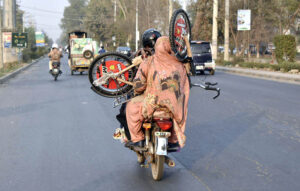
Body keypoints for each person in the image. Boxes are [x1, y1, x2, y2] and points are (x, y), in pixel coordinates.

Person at [125, 36, 190, 149]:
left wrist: (137, 90)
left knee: (131, 107)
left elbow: (139, 84)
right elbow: (185, 85)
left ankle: (138, 139)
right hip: (175, 107)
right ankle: (173, 140)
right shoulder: (180, 64)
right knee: (182, 107)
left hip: (152, 103)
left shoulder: (149, 61)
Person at [114, 29, 161, 141]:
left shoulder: (142, 57)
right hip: (165, 94)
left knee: (126, 110)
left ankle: (130, 137)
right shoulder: (168, 56)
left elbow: (135, 79)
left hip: (146, 93)